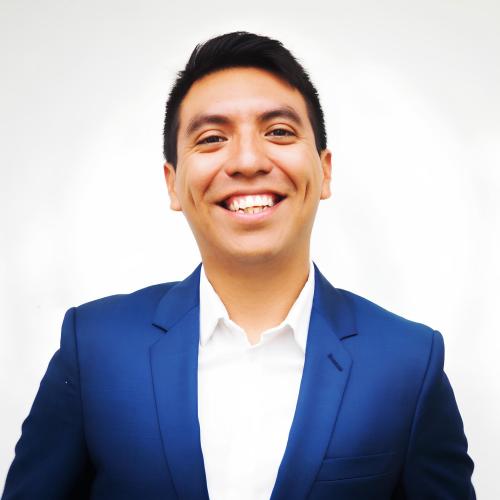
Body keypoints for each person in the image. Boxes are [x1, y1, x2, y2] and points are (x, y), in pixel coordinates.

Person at [2, 31, 475, 500]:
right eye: (212, 138)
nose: (248, 161)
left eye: (279, 132)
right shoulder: (94, 346)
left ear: (325, 170)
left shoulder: (409, 362)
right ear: (172, 183)